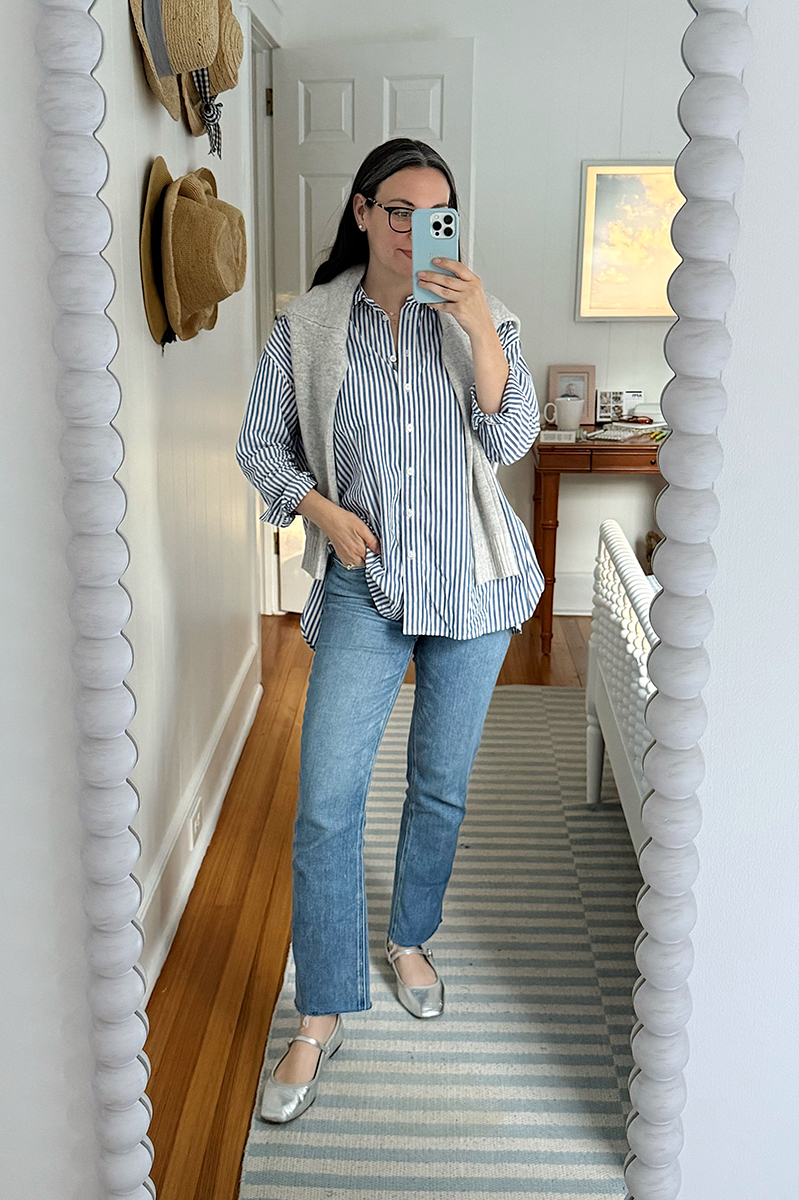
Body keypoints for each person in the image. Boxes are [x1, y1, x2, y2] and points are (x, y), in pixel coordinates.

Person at [236, 137, 545, 1123]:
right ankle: (321, 1009)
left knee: (438, 787)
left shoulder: (482, 317)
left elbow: (508, 440)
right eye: (398, 210)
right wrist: (319, 512)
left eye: (435, 213)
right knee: (325, 801)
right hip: (367, 590)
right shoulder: (311, 324)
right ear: (363, 213)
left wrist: (480, 332)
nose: (416, 231)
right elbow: (259, 445)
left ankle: (410, 937)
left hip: (471, 589)